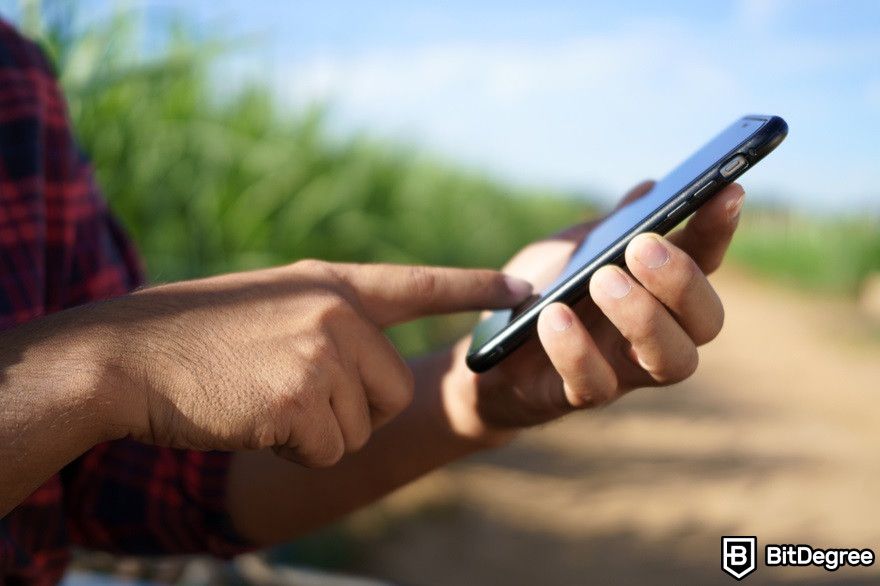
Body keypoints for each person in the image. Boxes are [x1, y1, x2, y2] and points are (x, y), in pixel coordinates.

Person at [0, 18, 742, 585]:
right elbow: (98, 398)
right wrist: (100, 368)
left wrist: (470, 394)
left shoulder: (17, 85)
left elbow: (121, 490)